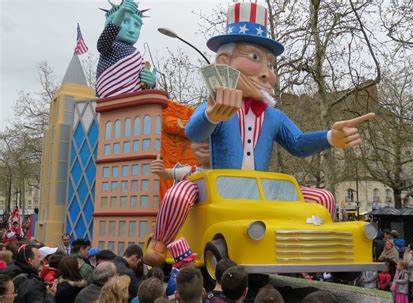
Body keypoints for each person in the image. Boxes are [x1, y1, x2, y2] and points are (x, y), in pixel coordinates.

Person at [145, 1, 370, 267]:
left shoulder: (274, 116)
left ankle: (315, 251)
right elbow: (195, 131)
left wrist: (330, 138)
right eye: (255, 58)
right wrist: (212, 115)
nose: (267, 73)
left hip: (261, 191)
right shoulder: (218, 106)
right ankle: (159, 244)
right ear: (224, 62)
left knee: (323, 198)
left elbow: (297, 144)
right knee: (178, 194)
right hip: (216, 188)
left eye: (270, 64)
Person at [96, 0, 156, 98]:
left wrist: (150, 82)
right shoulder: (109, 47)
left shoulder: (137, 56)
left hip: (136, 105)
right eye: (125, 21)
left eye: (137, 25)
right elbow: (103, 42)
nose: (132, 30)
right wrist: (121, 13)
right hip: (111, 104)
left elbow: (142, 84)